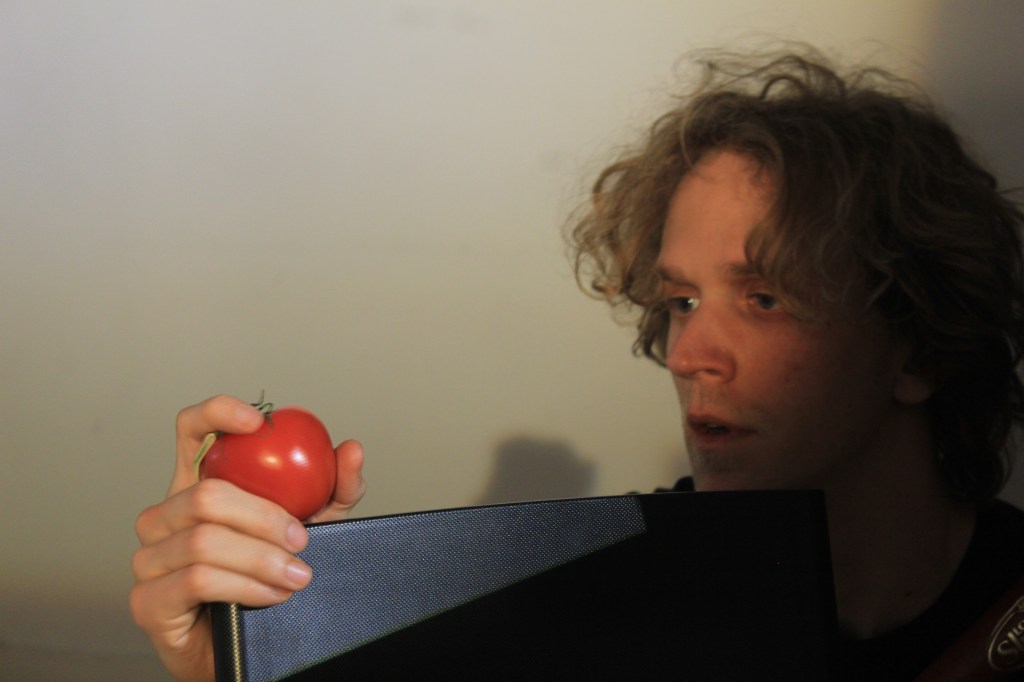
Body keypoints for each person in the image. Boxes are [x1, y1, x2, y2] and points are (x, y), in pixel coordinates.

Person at [132, 46, 1024, 680]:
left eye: (764, 299)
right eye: (681, 302)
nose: (688, 354)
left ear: (919, 344)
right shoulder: (597, 590)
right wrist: (244, 655)